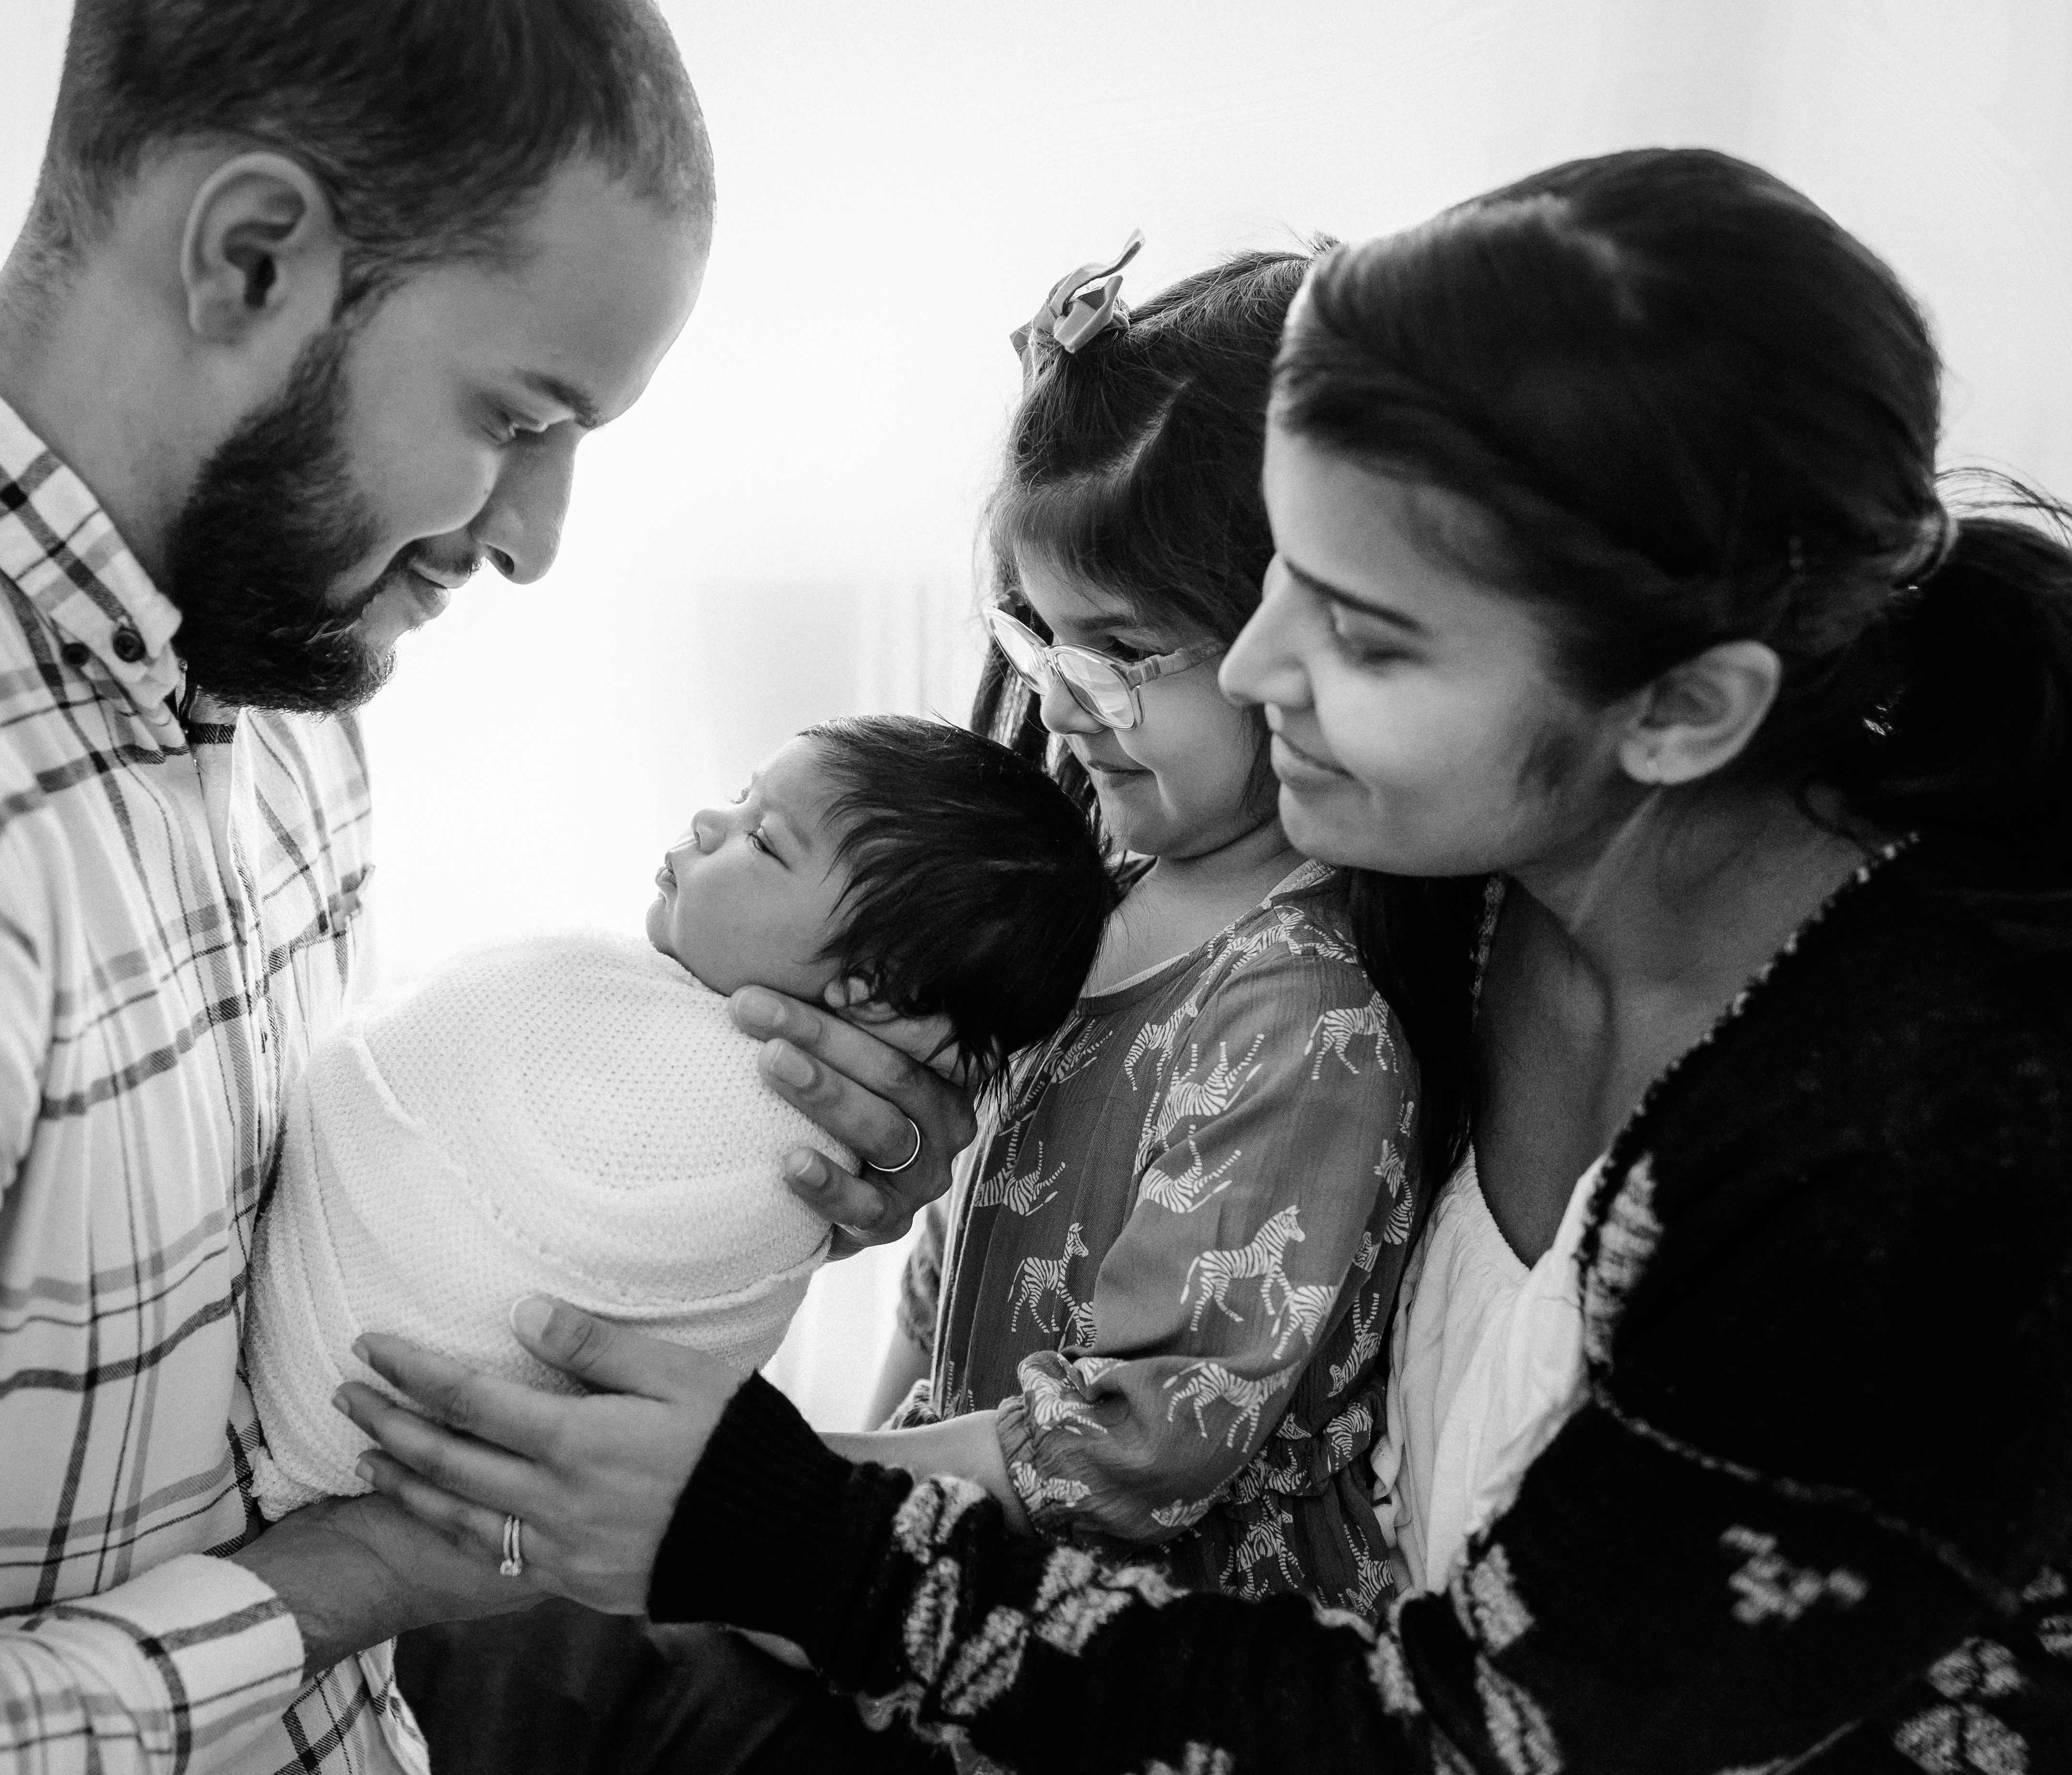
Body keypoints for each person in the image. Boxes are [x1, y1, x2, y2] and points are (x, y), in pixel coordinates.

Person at [337, 148, 2072, 1774]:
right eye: (1278, 581)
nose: (1252, 667)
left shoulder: (1922, 1143)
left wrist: (787, 1530)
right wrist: (904, 1147)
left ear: (1684, 711)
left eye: (1362, 631)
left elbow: (1455, 1737)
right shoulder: (1431, 872)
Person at [0, 5, 968, 1772]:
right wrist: (344, 1583)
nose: (537, 537)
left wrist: (733, 1180)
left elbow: (305, 1277)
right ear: (251, 258)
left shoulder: (266, 679)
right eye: (521, 416)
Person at [855, 243, 1456, 1619]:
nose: (1066, 702)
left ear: (1294, 638)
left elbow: (1132, 1444)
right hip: (956, 1573)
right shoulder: (1096, 892)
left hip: (1159, 1657)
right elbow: (950, 1263)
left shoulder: (1300, 1016)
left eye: (1122, 653)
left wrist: (798, 1487)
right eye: (1039, 638)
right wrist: (847, 1474)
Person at [248, 714, 1112, 1518]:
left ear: (870, 988)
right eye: (742, 798)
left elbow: (398, 1055)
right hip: (357, 1448)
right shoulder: (648, 1025)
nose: (707, 821)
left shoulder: (767, 1136)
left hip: (332, 1397)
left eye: (762, 839)